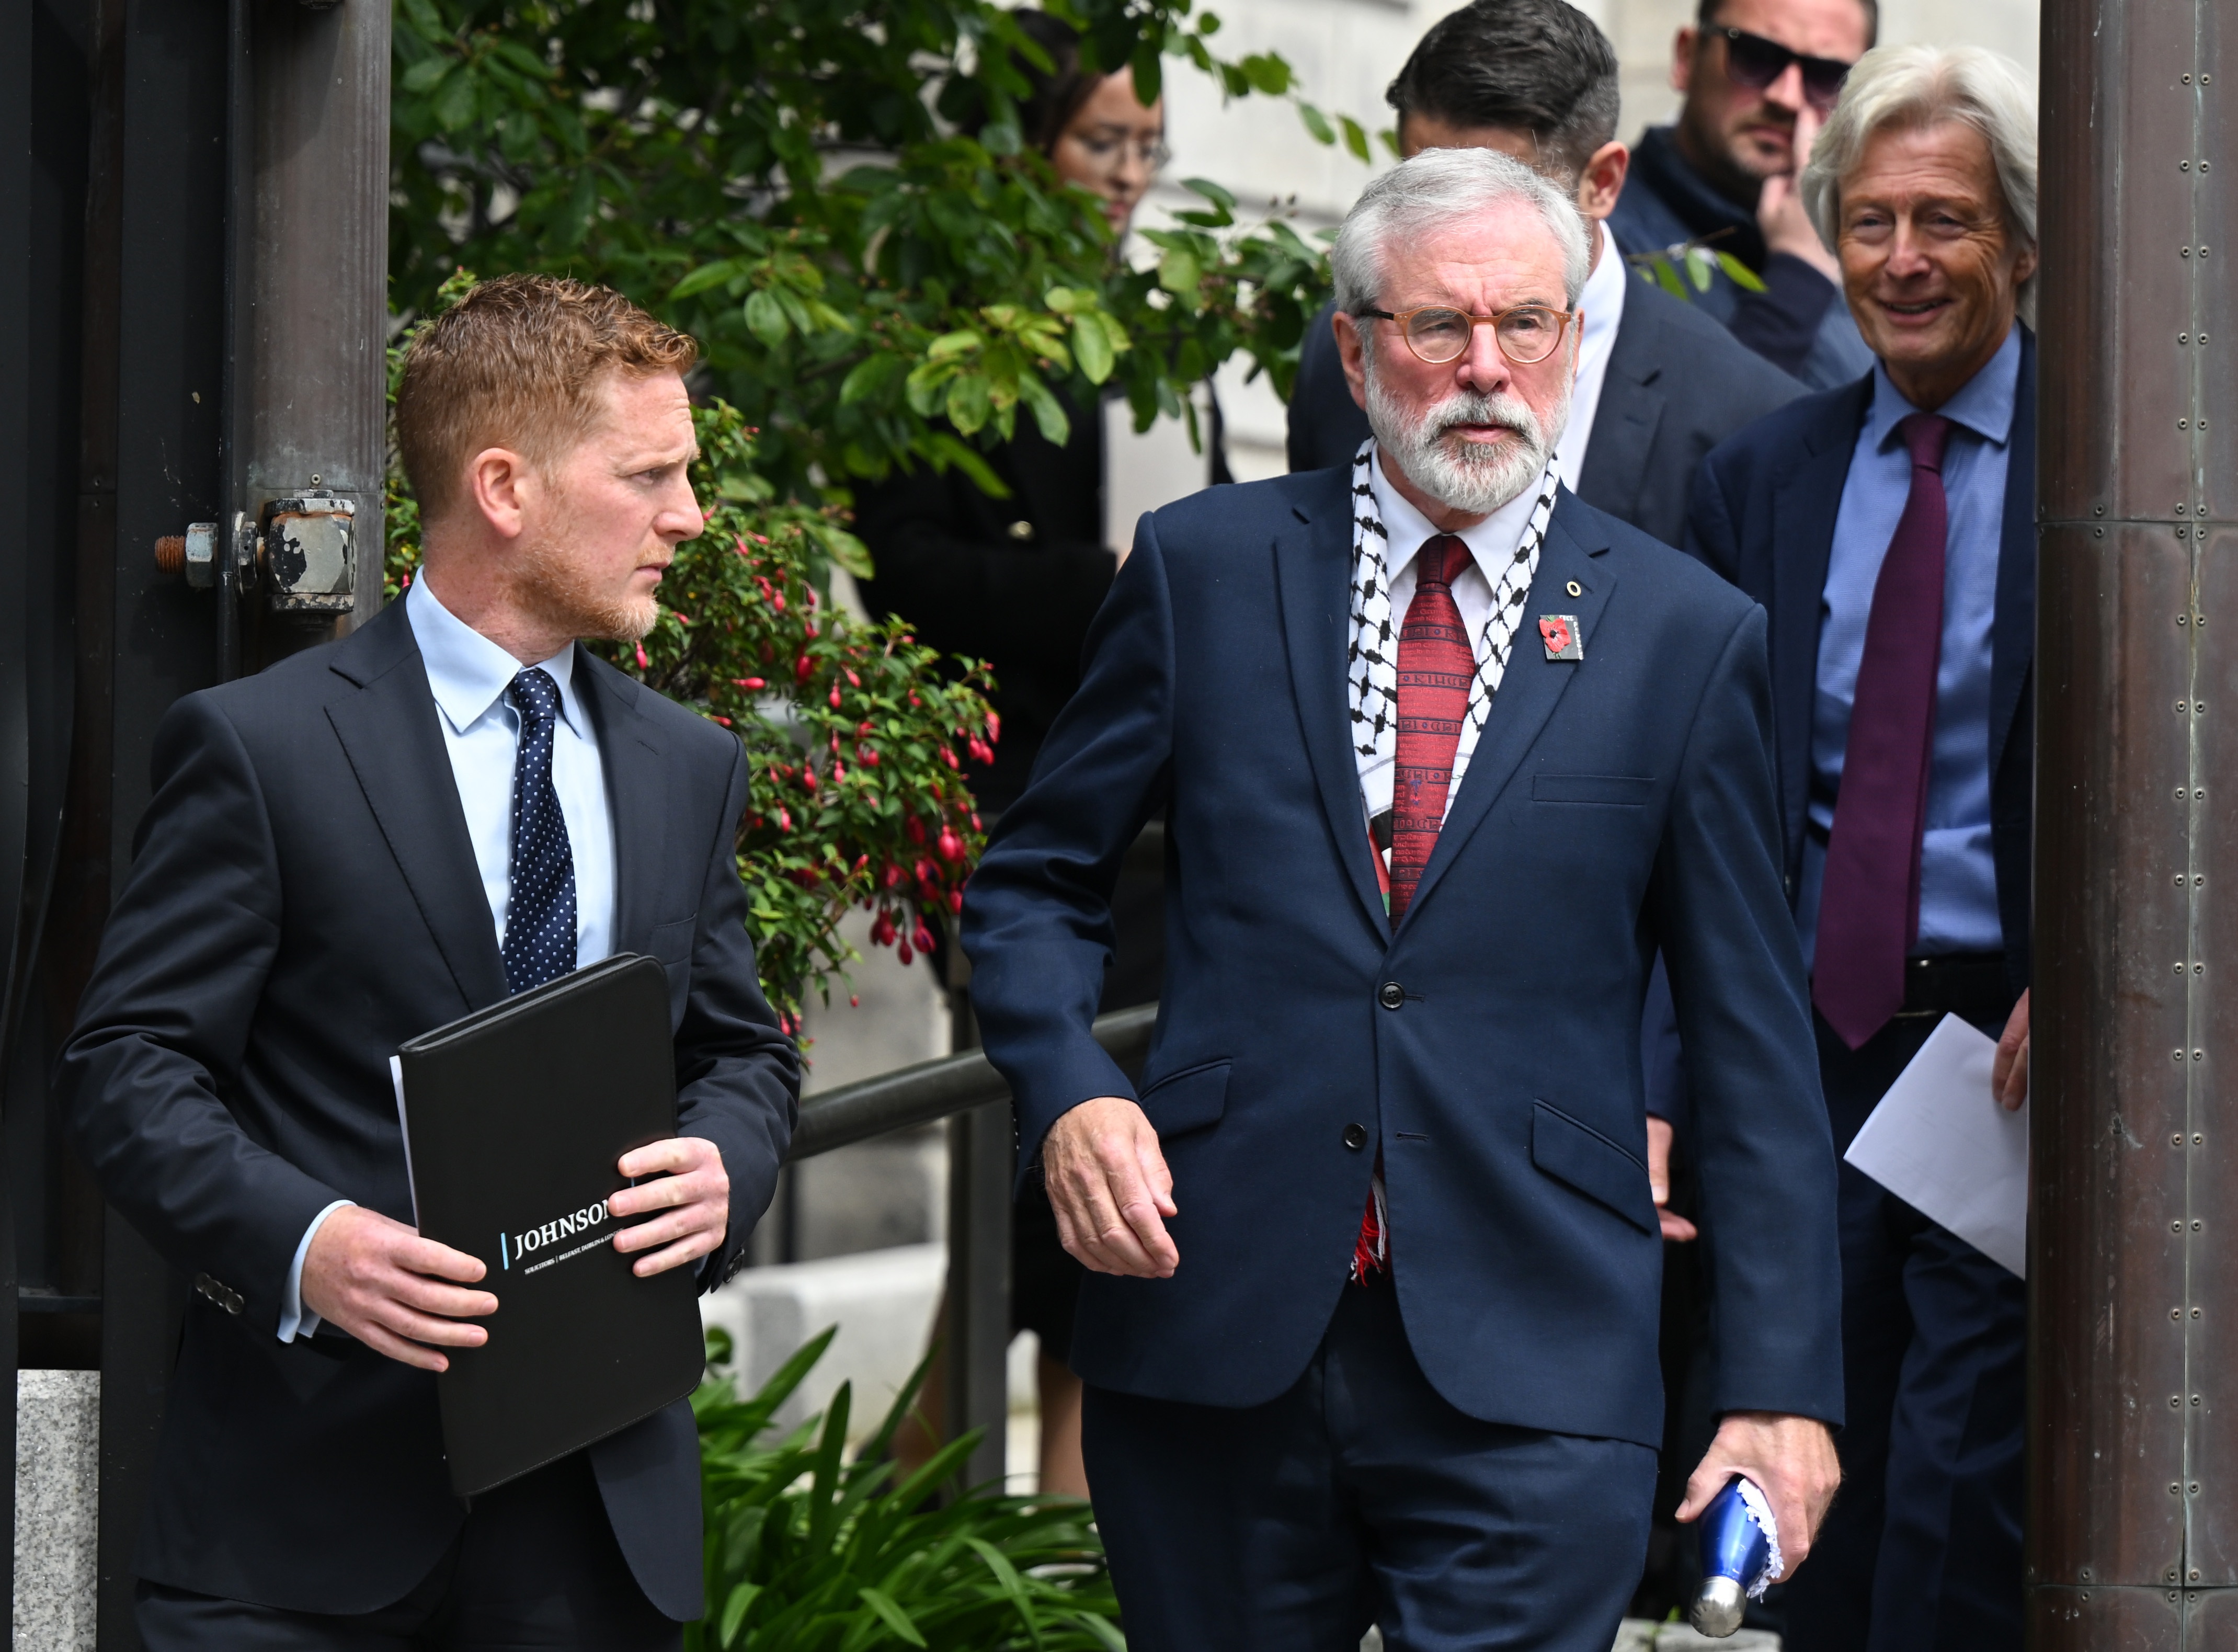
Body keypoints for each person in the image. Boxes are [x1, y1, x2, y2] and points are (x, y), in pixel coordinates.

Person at [961, 145, 1843, 1650]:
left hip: (1538, 1353)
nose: (1485, 367)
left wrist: (1781, 1386)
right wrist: (1064, 1087)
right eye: (1440, 327)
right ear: (1358, 346)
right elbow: (1038, 882)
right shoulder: (1203, 569)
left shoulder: (1688, 635)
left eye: (1527, 324)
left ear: (1571, 340)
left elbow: (1751, 1039)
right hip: (1211, 1318)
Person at [58, 275, 800, 1647]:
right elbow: (126, 1066)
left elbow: (739, 1051)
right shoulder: (262, 746)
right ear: (506, 487)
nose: (688, 516)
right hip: (302, 1520)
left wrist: (727, 1165)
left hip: (594, 1528)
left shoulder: (688, 765)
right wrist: (306, 1242)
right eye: (650, 475)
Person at [1684, 45, 2039, 1650]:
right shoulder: (1757, 475)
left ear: (2022, 245)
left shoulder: (2119, 476)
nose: (1901, 260)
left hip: (2007, 1046)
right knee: (1805, 1444)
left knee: (1969, 1483)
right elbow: (1692, 805)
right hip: (1800, 1045)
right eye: (1871, 220)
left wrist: (2093, 976)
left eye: (1945, 222)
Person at [862, 8, 1173, 1501]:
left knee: (1098, 1148)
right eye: (1101, 143)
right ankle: (977, 1490)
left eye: (1145, 152)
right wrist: (1102, 582)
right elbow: (904, 564)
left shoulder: (1134, 323)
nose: (1124, 177)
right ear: (1028, 149)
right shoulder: (946, 327)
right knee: (1026, 1137)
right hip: (1004, 799)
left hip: (1138, 814)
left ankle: (1031, 1497)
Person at [1287, 0, 1805, 559]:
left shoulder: (1749, 419)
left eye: (1506, 195)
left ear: (1602, 183)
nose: (1452, 229)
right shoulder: (1350, 344)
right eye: (1423, 186)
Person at [1606, 0, 1876, 390]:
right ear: (1686, 58)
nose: (1787, 97)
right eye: (1756, 56)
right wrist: (1798, 282)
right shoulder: (1593, 236)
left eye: (1827, 77)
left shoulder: (1878, 259)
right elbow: (1661, 444)